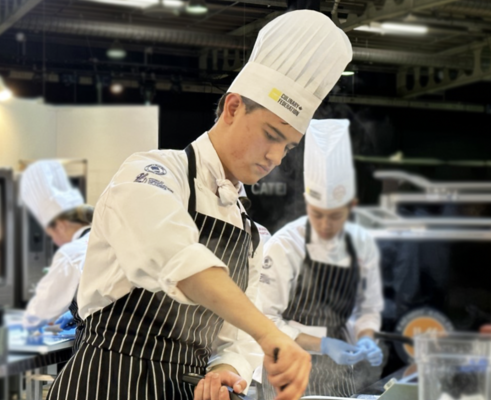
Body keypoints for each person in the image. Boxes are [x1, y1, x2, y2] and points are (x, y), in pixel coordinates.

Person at [46, 10, 352, 400]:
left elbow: (236, 337)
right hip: (106, 384)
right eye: (271, 136)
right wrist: (270, 333)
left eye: (288, 147)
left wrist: (225, 371)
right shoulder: (152, 173)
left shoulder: (250, 234)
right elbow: (177, 258)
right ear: (233, 108)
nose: (276, 156)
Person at [259, 119, 384, 397]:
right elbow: (265, 320)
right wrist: (323, 344)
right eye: (317, 214)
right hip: (287, 369)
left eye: (336, 216)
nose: (326, 225)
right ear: (307, 202)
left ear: (351, 206)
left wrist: (366, 339)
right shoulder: (285, 245)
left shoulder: (361, 243)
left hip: (341, 375)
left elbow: (369, 308)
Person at [21, 160, 93, 352]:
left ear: (61, 225)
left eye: (51, 235)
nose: (55, 242)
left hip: (98, 350)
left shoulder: (72, 253)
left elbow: (39, 314)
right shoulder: (104, 239)